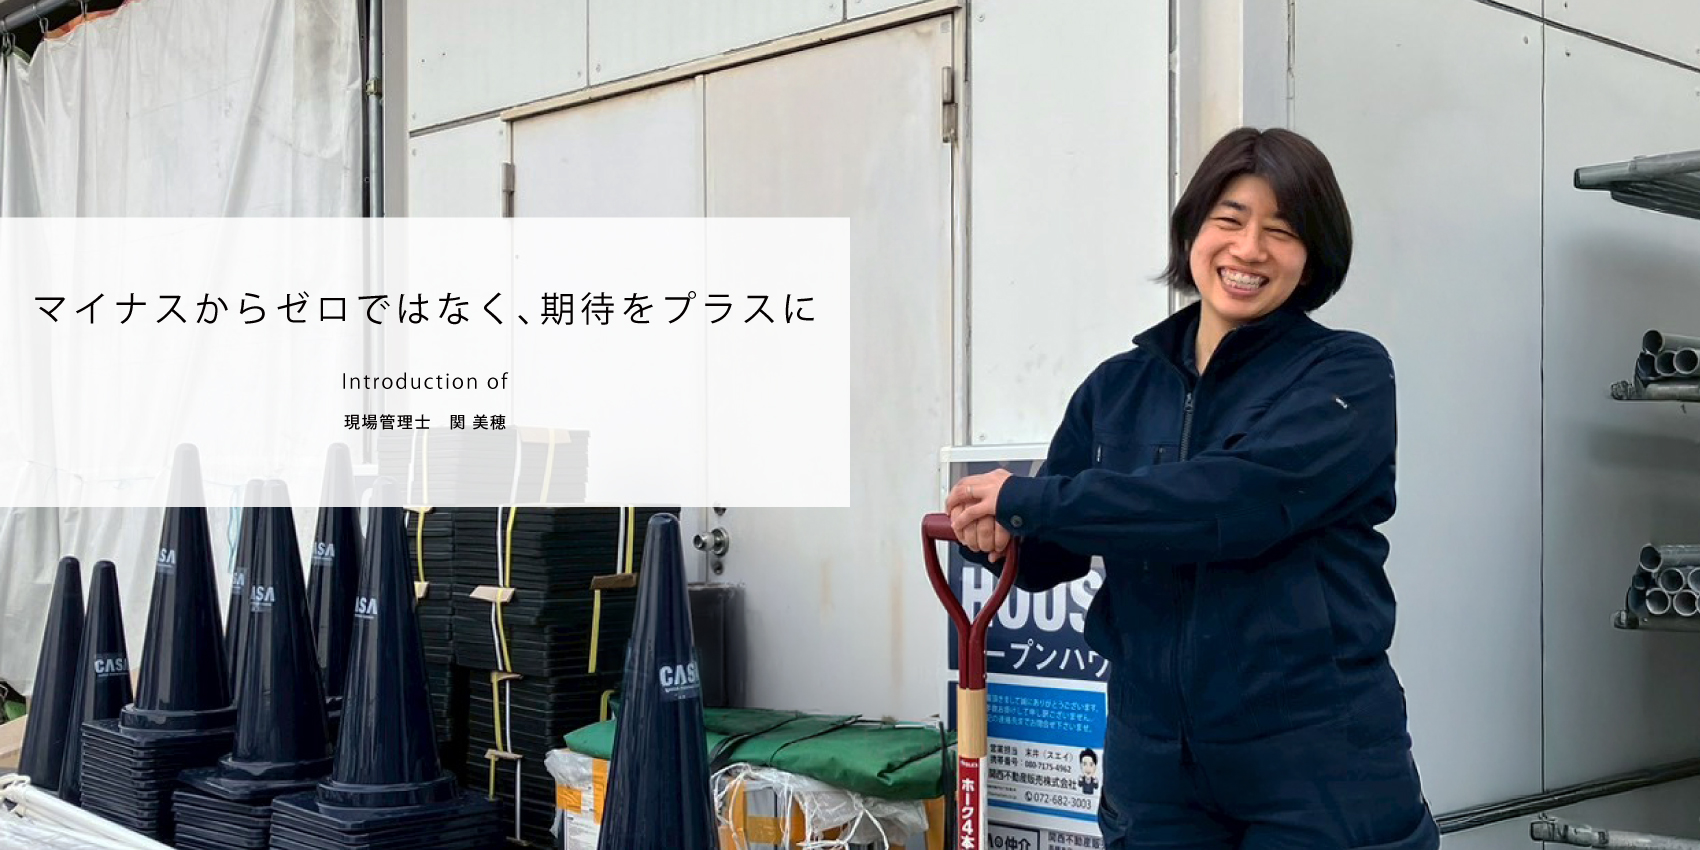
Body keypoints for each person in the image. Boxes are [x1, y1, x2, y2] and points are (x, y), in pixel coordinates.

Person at [945, 127, 1439, 850]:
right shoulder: (1117, 386)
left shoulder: (1345, 373)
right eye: (1229, 220)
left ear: (1314, 255)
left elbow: (1232, 503)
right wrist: (996, 534)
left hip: (1316, 757)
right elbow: (1053, 553)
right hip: (1153, 764)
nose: (1249, 249)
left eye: (1282, 231)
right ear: (1193, 231)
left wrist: (1028, 502)